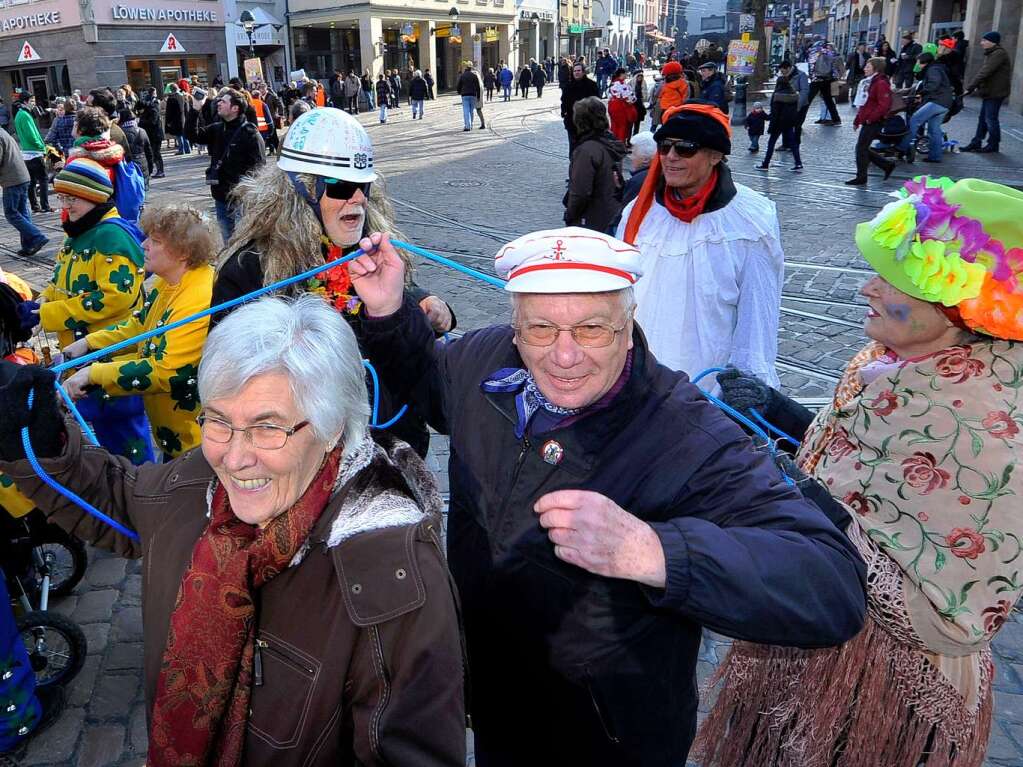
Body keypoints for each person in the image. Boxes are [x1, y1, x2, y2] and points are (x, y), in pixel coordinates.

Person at [345, 224, 866, 767]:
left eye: (591, 329)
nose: (565, 356)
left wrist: (656, 552)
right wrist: (389, 312)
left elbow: (830, 582)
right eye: (542, 329)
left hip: (609, 736)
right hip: (496, 700)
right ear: (516, 329)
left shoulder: (685, 433)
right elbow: (431, 387)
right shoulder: (484, 358)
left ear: (628, 324)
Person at [0, 295, 467, 766]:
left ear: (333, 430)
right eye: (219, 421)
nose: (234, 458)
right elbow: (121, 500)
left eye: (268, 429)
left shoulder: (395, 581)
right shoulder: (200, 478)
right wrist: (44, 444)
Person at [695, 176, 1023, 767]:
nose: (870, 288)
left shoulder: (988, 416)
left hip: (889, 677)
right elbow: (852, 457)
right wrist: (778, 412)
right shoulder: (889, 360)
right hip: (810, 622)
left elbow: (943, 602)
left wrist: (801, 496)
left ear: (956, 307)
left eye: (894, 282)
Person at [212, 108, 455, 456]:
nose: (357, 197)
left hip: (391, 449)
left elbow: (431, 391)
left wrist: (421, 304)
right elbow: (230, 381)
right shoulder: (249, 270)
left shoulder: (373, 246)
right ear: (300, 192)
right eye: (340, 186)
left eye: (363, 185)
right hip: (307, 457)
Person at [623, 102, 784, 386]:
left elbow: (757, 313)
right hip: (638, 374)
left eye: (685, 148)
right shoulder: (640, 211)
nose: (671, 157)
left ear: (715, 156)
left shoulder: (750, 220)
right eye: (664, 147)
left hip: (705, 379)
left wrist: (749, 384)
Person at [22, 156, 153, 464]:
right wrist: (41, 303)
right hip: (82, 356)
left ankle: (140, 489)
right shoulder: (78, 232)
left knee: (125, 434)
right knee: (102, 434)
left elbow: (115, 297)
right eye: (61, 198)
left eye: (71, 198)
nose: (64, 206)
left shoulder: (112, 235)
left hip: (111, 353)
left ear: (93, 197)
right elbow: (62, 283)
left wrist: (50, 314)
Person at [60, 203, 216, 460]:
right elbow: (140, 326)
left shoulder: (198, 297)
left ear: (183, 253)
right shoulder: (168, 282)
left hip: (196, 442)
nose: (144, 245)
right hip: (175, 434)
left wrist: (94, 373)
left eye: (154, 241)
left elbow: (165, 370)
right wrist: (89, 343)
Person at [185, 87, 265, 244]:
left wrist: (248, 192)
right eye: (219, 99)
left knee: (244, 241)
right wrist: (195, 109)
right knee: (228, 241)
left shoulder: (250, 134)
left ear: (235, 108)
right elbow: (192, 135)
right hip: (221, 196)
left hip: (242, 198)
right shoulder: (217, 129)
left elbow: (260, 168)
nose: (218, 102)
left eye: (223, 101)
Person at [564, 97, 626, 233]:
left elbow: (580, 191)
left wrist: (570, 215)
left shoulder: (587, 150)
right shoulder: (611, 142)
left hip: (591, 219)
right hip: (611, 212)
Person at [846, 57, 896, 185]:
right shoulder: (871, 82)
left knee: (861, 148)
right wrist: (858, 120)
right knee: (862, 148)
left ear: (876, 68)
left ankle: (862, 176)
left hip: (875, 121)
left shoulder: (880, 83)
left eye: (868, 67)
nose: (864, 69)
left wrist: (870, 118)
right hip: (869, 120)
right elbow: (864, 103)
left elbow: (884, 105)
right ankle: (886, 165)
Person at [0, 122, 47, 257]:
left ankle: (37, 236)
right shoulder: (4, 133)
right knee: (22, 212)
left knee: (11, 213)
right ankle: (29, 245)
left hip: (12, 179)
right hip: (21, 176)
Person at [897, 52, 953, 164]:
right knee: (934, 129)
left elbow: (933, 84)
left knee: (914, 120)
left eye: (918, 62)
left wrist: (921, 93)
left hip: (937, 101)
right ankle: (935, 156)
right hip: (945, 102)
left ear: (925, 62)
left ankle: (901, 148)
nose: (917, 64)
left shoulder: (933, 69)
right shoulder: (936, 68)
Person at [961, 31, 1011, 154]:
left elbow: (985, 72)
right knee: (983, 118)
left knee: (990, 119)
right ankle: (976, 142)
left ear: (992, 42)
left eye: (984, 40)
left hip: (995, 93)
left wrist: (971, 87)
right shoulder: (992, 53)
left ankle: (993, 144)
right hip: (990, 92)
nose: (981, 43)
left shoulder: (998, 54)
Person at [758, 62, 804, 172]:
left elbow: (775, 112)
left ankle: (765, 164)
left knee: (771, 143)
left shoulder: (778, 96)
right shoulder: (793, 95)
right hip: (788, 123)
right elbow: (795, 110)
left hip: (778, 123)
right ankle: (798, 163)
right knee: (793, 143)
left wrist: (770, 123)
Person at [13, 94, 49, 213]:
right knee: (43, 179)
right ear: (26, 101)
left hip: (26, 152)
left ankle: (35, 206)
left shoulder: (19, 114)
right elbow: (31, 135)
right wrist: (41, 146)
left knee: (32, 181)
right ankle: (45, 206)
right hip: (34, 152)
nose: (34, 103)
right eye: (32, 100)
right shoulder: (24, 115)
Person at [561, 63, 600, 155]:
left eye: (578, 71)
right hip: (572, 122)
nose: (576, 73)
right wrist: (564, 113)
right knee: (573, 148)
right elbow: (564, 101)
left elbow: (597, 102)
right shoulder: (568, 86)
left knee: (587, 148)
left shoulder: (591, 85)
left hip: (588, 123)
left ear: (583, 72)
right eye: (574, 71)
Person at [117, 107, 154, 186]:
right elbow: (149, 152)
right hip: (143, 165)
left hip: (128, 166)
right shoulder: (142, 131)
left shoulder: (120, 133)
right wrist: (150, 168)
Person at [135, 87, 165, 178]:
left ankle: (161, 171)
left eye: (139, 111)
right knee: (152, 153)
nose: (139, 112)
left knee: (156, 153)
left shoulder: (153, 108)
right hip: (151, 135)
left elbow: (153, 122)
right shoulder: (147, 109)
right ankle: (154, 170)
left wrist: (141, 122)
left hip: (155, 135)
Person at [621, 129, 655, 205]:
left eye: (633, 153)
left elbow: (624, 209)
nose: (630, 157)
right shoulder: (652, 174)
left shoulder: (638, 181)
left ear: (645, 159)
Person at [606, 69, 637, 144]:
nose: (626, 75)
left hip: (613, 107)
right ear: (621, 74)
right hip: (620, 107)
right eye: (625, 73)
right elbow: (629, 97)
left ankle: (614, 143)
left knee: (615, 126)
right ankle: (621, 144)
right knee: (622, 126)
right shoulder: (621, 85)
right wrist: (634, 99)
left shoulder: (613, 84)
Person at [163, 83, 189, 155]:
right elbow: (187, 108)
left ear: (171, 89)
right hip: (183, 117)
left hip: (175, 119)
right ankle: (187, 149)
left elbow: (169, 112)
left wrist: (168, 121)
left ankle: (181, 149)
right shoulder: (183, 96)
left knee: (178, 134)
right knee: (184, 133)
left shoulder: (171, 98)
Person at [457, 63, 483, 131]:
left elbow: (459, 85)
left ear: (465, 69)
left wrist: (459, 92)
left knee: (466, 110)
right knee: (471, 111)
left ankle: (467, 126)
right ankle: (471, 124)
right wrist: (478, 97)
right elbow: (478, 87)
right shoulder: (474, 76)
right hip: (473, 95)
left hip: (464, 95)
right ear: (471, 69)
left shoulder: (462, 76)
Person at [846, 42, 868, 106]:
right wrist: (846, 70)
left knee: (862, 88)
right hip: (854, 74)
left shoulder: (867, 55)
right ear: (858, 47)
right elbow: (848, 64)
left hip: (863, 74)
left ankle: (860, 100)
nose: (862, 48)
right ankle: (853, 100)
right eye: (861, 47)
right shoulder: (853, 55)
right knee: (854, 88)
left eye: (863, 47)